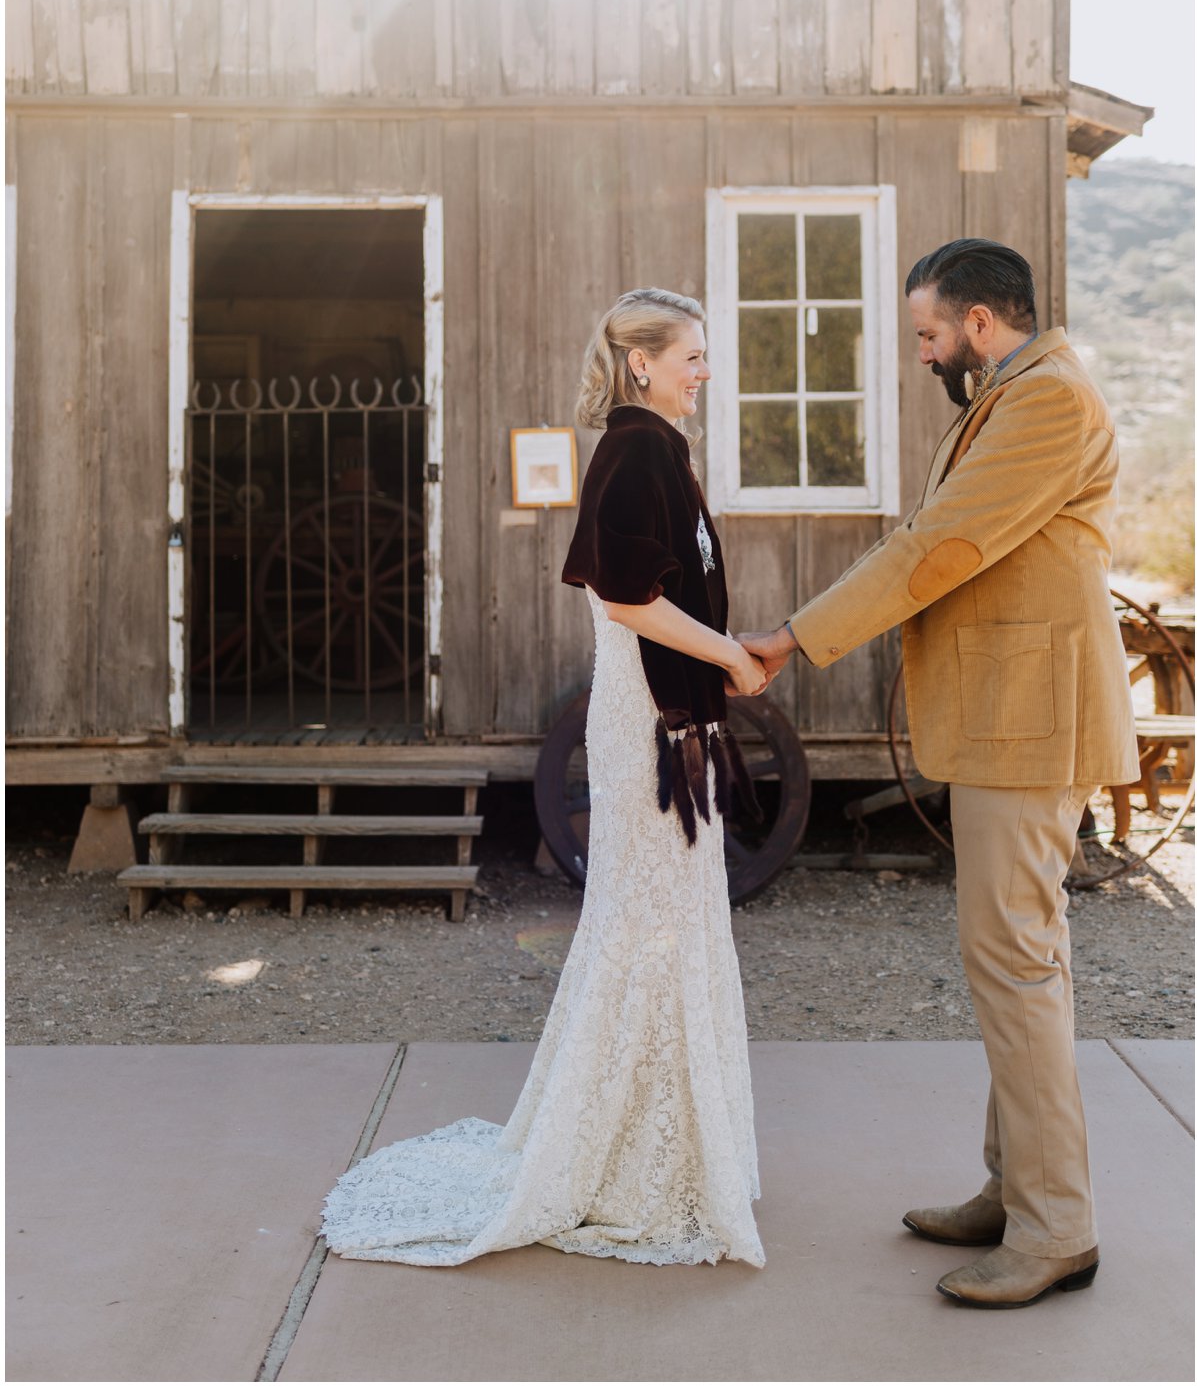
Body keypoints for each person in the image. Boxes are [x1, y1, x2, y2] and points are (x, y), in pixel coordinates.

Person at [322, 287, 768, 1269]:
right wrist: (733, 656)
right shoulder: (636, 447)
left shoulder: (660, 445)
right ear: (644, 362)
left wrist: (725, 654)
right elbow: (626, 596)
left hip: (664, 704)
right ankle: (619, 1156)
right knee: (648, 919)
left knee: (672, 914)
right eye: (693, 354)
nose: (705, 369)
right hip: (643, 710)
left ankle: (668, 1143)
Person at [738, 239, 1138, 1310]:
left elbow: (942, 540)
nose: (921, 353)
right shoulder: (1013, 391)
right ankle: (1017, 1190)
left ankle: (1056, 1226)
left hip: (1032, 723)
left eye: (927, 332)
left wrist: (792, 634)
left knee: (1013, 960)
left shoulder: (1047, 399)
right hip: (1013, 717)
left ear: (979, 321)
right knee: (1020, 954)